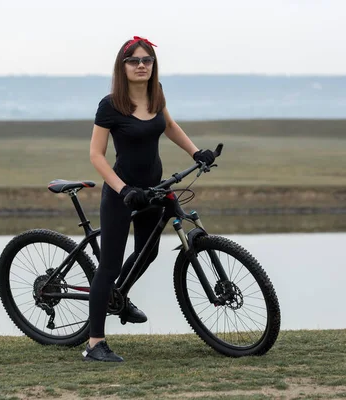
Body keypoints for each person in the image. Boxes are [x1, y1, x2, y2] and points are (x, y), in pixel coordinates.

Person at [84, 36, 216, 362]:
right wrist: (123, 189)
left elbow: (169, 126)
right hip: (122, 194)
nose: (141, 65)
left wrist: (196, 151)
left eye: (147, 60)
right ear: (123, 66)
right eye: (134, 60)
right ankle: (94, 344)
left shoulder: (156, 97)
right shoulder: (111, 105)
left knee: (149, 250)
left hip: (152, 189)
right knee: (110, 265)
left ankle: (119, 296)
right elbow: (96, 155)